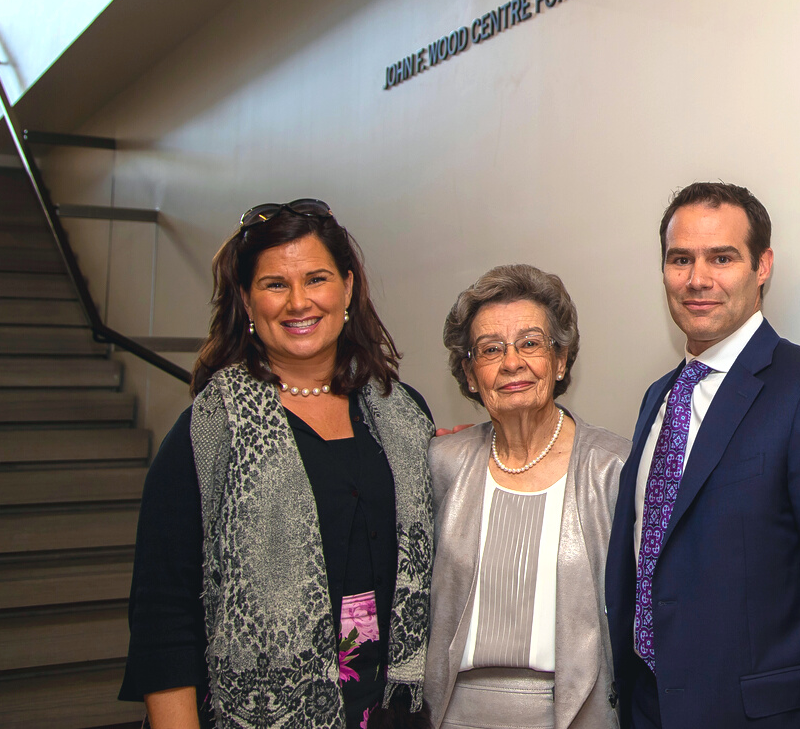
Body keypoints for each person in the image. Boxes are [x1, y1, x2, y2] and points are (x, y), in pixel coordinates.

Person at [120, 200, 436, 729]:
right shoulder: (211, 430)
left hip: (396, 711)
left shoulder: (404, 415)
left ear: (348, 288)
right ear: (246, 299)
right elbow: (163, 617)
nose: (298, 302)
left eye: (316, 278)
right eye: (274, 285)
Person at [605, 183, 800, 729]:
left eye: (722, 257)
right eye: (680, 259)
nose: (698, 279)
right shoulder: (657, 398)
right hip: (649, 709)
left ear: (762, 266)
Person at [424, 265, 630, 729]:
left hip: (580, 713)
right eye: (490, 350)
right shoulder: (442, 463)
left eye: (531, 343)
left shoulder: (614, 467)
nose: (511, 363)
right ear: (470, 374)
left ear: (560, 361)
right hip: (455, 714)